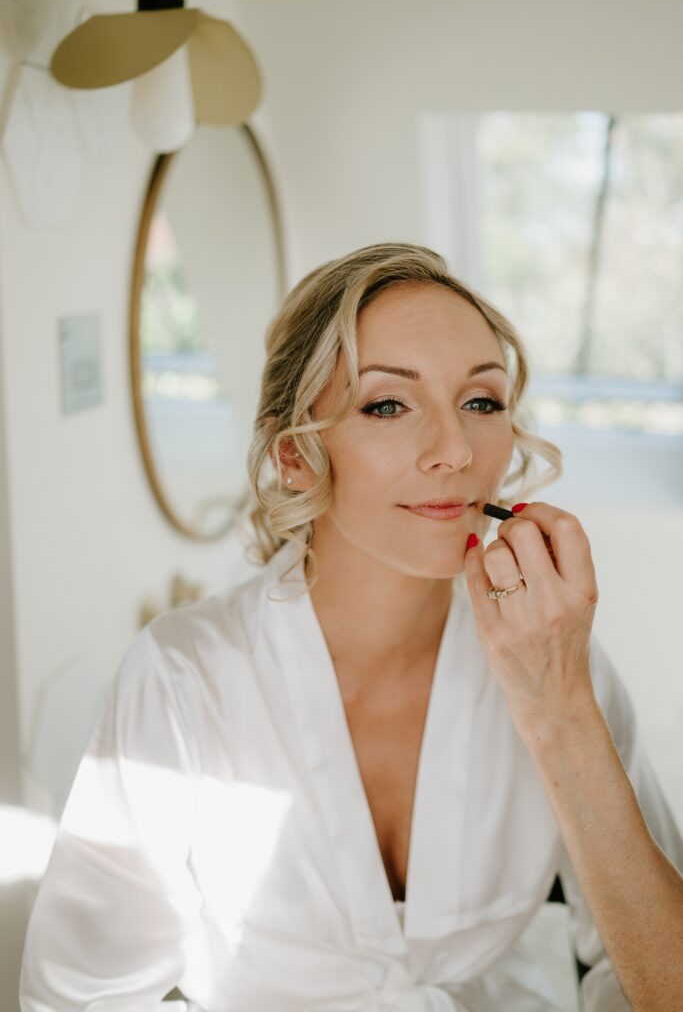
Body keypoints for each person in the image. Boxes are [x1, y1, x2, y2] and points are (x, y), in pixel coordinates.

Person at [19, 242, 683, 1011]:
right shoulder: (183, 679)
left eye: (481, 401)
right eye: (387, 405)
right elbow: (77, 999)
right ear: (295, 455)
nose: (456, 451)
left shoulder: (557, 662)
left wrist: (560, 711)